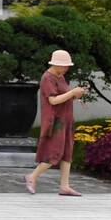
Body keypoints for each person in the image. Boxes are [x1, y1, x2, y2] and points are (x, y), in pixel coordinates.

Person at [26, 50, 86, 197]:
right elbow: (53, 100)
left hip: (66, 120)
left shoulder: (61, 77)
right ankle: (32, 176)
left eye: (67, 66)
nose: (66, 68)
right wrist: (72, 93)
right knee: (54, 152)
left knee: (67, 152)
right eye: (64, 66)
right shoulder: (47, 78)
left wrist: (76, 95)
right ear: (56, 64)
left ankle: (64, 186)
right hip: (55, 122)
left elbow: (63, 96)